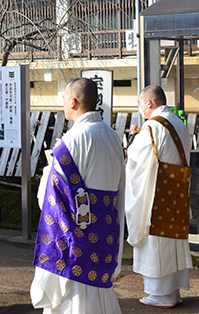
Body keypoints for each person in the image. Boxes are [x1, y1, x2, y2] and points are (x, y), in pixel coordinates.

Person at [30, 78, 126, 314]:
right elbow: (121, 190)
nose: (62, 103)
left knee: (74, 297)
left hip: (76, 238)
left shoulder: (70, 142)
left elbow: (48, 198)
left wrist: (47, 169)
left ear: (72, 101)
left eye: (63, 98)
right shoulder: (113, 137)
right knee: (101, 290)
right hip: (105, 232)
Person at [125, 85, 193, 308]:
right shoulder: (177, 123)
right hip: (177, 188)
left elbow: (136, 161)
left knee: (156, 241)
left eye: (140, 104)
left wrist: (130, 147)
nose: (141, 109)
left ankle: (160, 294)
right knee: (171, 240)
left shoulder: (153, 126)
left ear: (148, 103)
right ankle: (172, 291)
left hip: (158, 192)